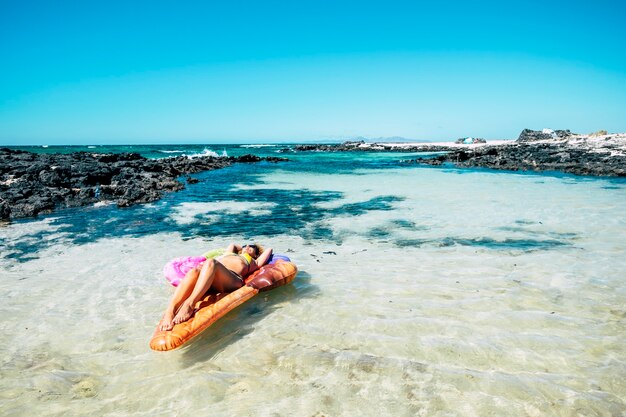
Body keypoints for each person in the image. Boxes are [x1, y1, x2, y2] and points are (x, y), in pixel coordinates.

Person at [159, 243, 273, 331]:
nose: (247, 246)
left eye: (251, 247)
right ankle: (170, 311)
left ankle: (190, 304)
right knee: (194, 271)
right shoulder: (230, 253)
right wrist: (241, 248)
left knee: (211, 262)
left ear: (256, 253)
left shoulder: (254, 261)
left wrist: (254, 249)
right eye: (245, 245)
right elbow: (233, 244)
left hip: (232, 280)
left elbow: (269, 250)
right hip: (211, 277)